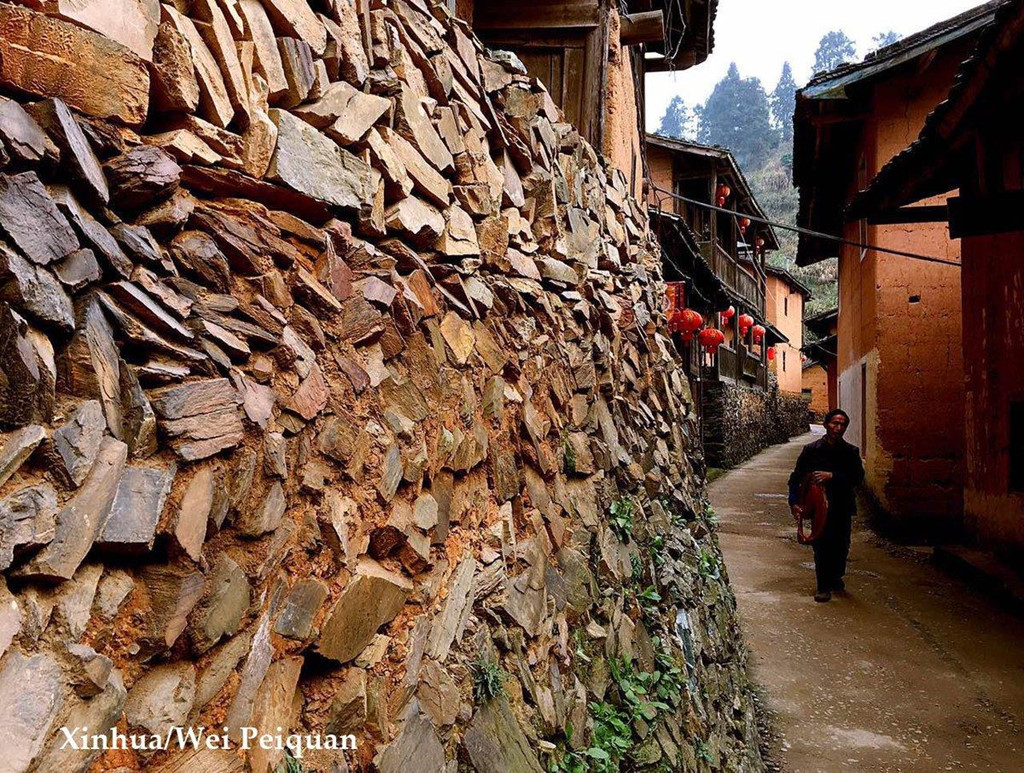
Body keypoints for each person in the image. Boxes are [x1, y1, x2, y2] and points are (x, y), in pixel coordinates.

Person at [788, 409, 865, 602]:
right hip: (819, 507)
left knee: (841, 545)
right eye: (834, 423)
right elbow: (796, 478)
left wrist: (833, 476)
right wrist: (794, 502)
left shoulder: (851, 452)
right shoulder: (811, 450)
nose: (838, 428)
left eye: (842, 424)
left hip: (842, 505)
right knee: (822, 544)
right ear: (826, 424)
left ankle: (836, 576)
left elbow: (857, 478)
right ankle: (823, 585)